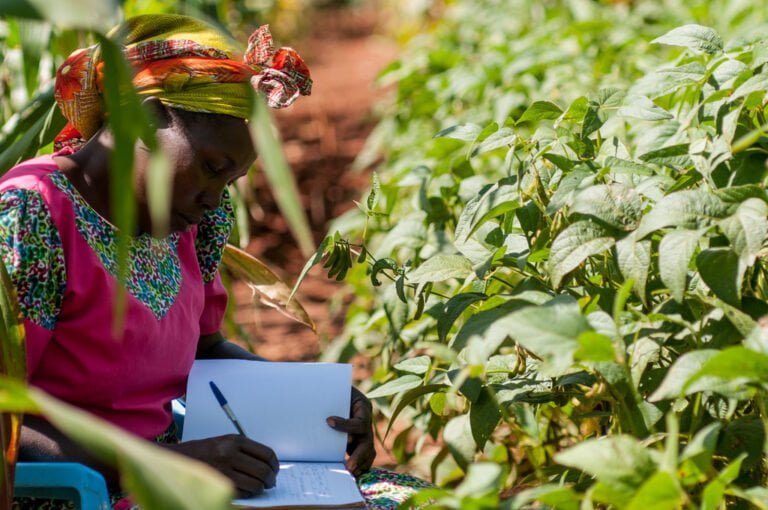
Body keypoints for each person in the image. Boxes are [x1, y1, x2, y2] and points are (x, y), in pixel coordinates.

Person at [1, 14, 429, 510]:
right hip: (74, 492)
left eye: (230, 180)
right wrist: (161, 464)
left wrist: (319, 404)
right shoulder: (30, 218)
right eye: (210, 168)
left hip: (175, 476)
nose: (215, 197)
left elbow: (206, 350)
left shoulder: (190, 219)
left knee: (410, 499)